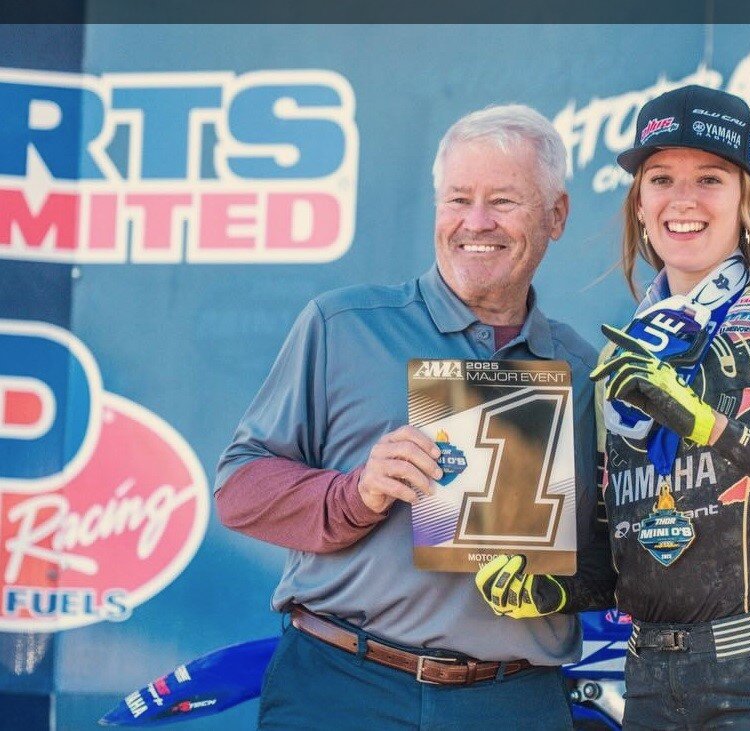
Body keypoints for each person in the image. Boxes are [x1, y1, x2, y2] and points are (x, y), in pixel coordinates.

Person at [477, 85, 750, 730]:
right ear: (639, 203)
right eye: (662, 178)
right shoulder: (626, 347)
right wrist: (550, 588)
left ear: (746, 197)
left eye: (710, 178)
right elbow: (631, 553)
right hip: (650, 684)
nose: (684, 199)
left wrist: (707, 424)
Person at [215, 104, 611, 730]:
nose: (475, 222)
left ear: (555, 215)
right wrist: (356, 493)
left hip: (513, 701)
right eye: (458, 199)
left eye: (503, 201)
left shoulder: (586, 373)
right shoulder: (342, 327)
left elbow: (607, 557)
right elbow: (238, 490)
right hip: (343, 687)